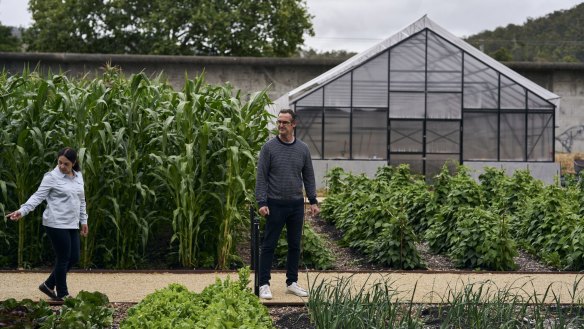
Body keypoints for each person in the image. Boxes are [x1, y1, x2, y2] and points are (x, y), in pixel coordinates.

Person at [6, 147, 88, 301]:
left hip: (72, 223)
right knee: (63, 257)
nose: (62, 167)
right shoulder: (51, 177)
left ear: (74, 163)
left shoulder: (78, 177)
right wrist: (21, 211)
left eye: (66, 164)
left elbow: (82, 201)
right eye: (60, 163)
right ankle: (62, 294)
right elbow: (37, 197)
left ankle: (48, 285)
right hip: (55, 223)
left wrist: (84, 220)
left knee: (74, 257)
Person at [255, 109, 320, 300]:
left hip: (296, 205)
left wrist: (313, 200)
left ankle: (292, 283)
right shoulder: (269, 148)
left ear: (293, 125)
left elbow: (308, 176)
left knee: (294, 245)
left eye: (285, 122)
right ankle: (264, 284)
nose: (281, 125)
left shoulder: (303, 149)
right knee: (269, 245)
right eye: (279, 122)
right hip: (274, 204)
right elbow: (261, 176)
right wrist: (262, 201)